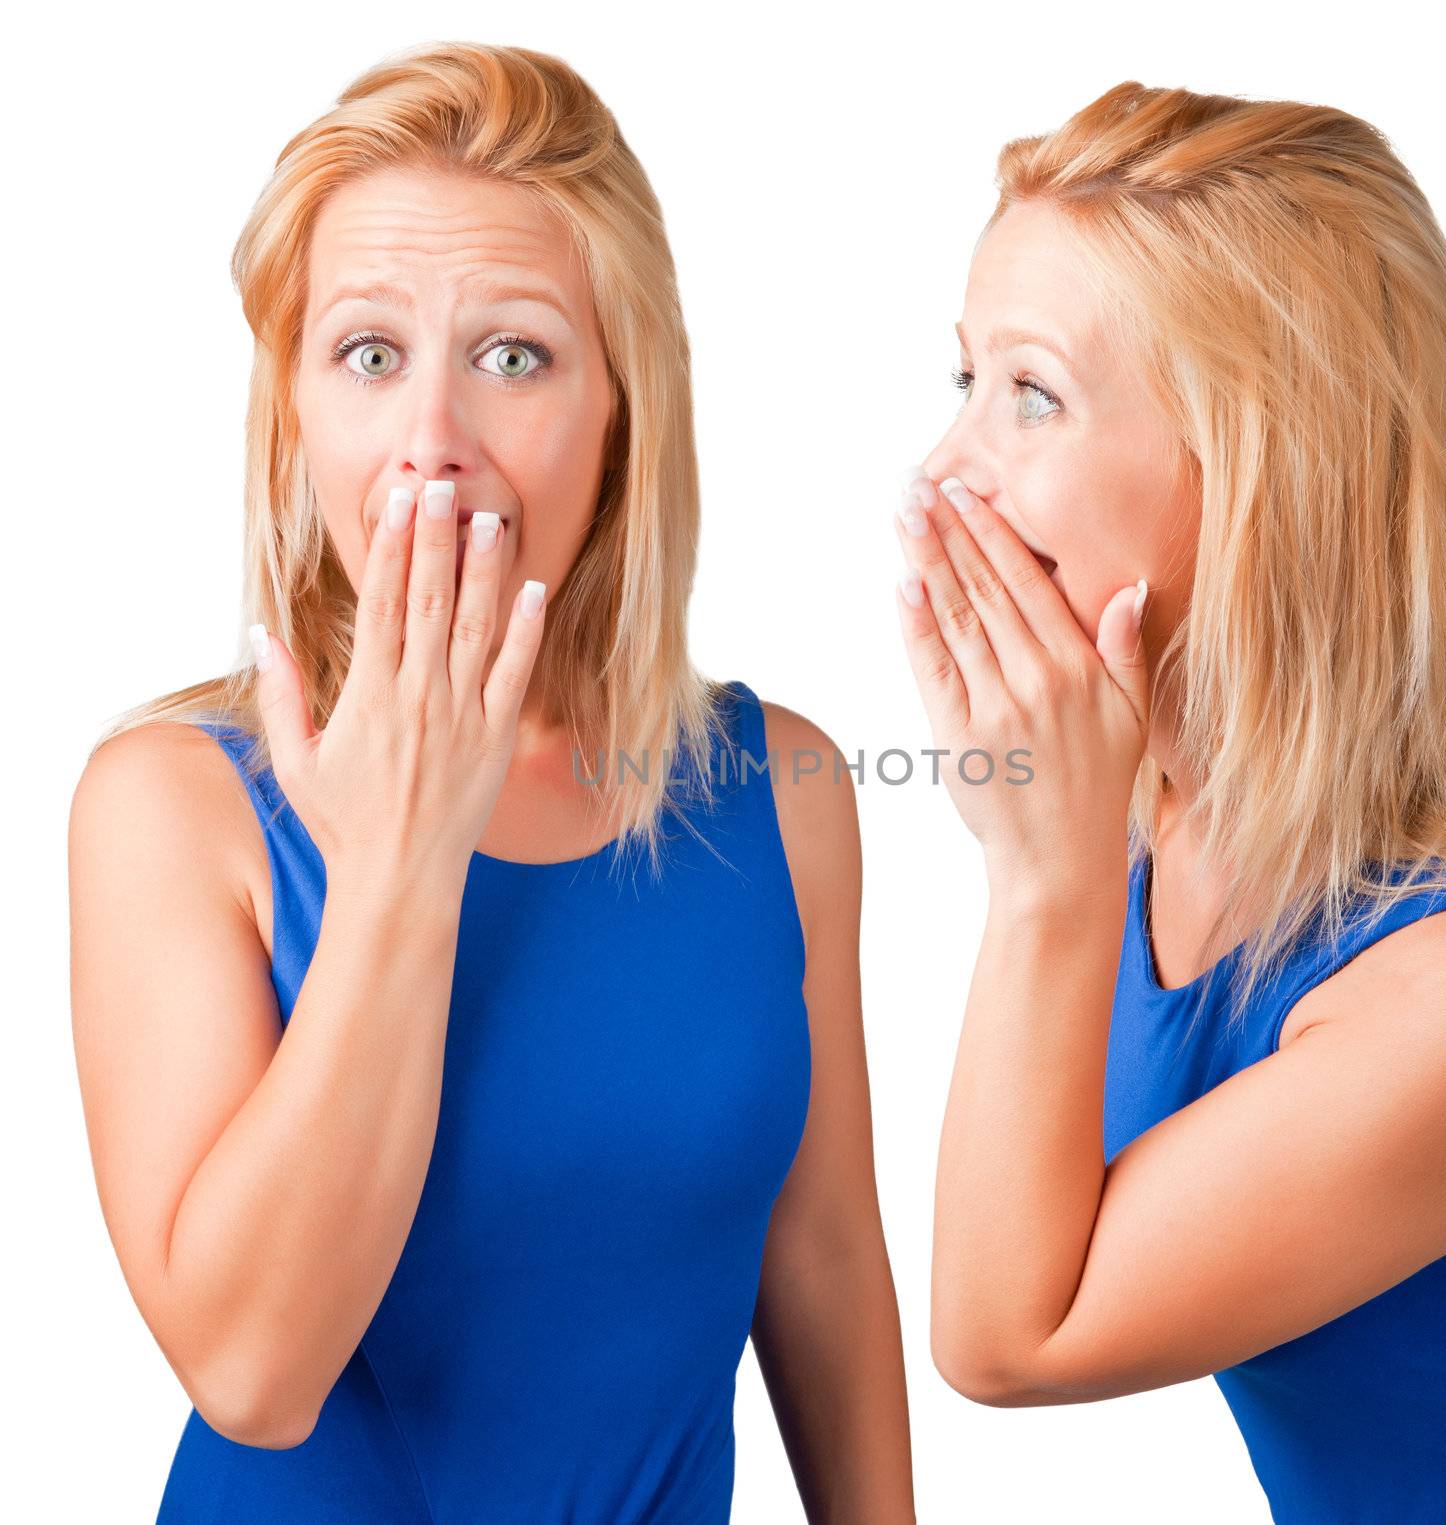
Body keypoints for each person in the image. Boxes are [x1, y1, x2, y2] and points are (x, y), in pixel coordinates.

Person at [68, 42, 914, 1523]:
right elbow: (255, 1372)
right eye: (369, 356)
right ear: (296, 412)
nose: (433, 447)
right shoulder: (175, 805)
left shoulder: (781, 790)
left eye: (514, 355)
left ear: (622, 408)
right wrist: (402, 862)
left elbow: (824, 1247)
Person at [894, 81, 1446, 1521]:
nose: (944, 471)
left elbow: (1008, 1339)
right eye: (963, 382)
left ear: (1268, 462)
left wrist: (1042, 876)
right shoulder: (1172, 818)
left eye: (1032, 393)